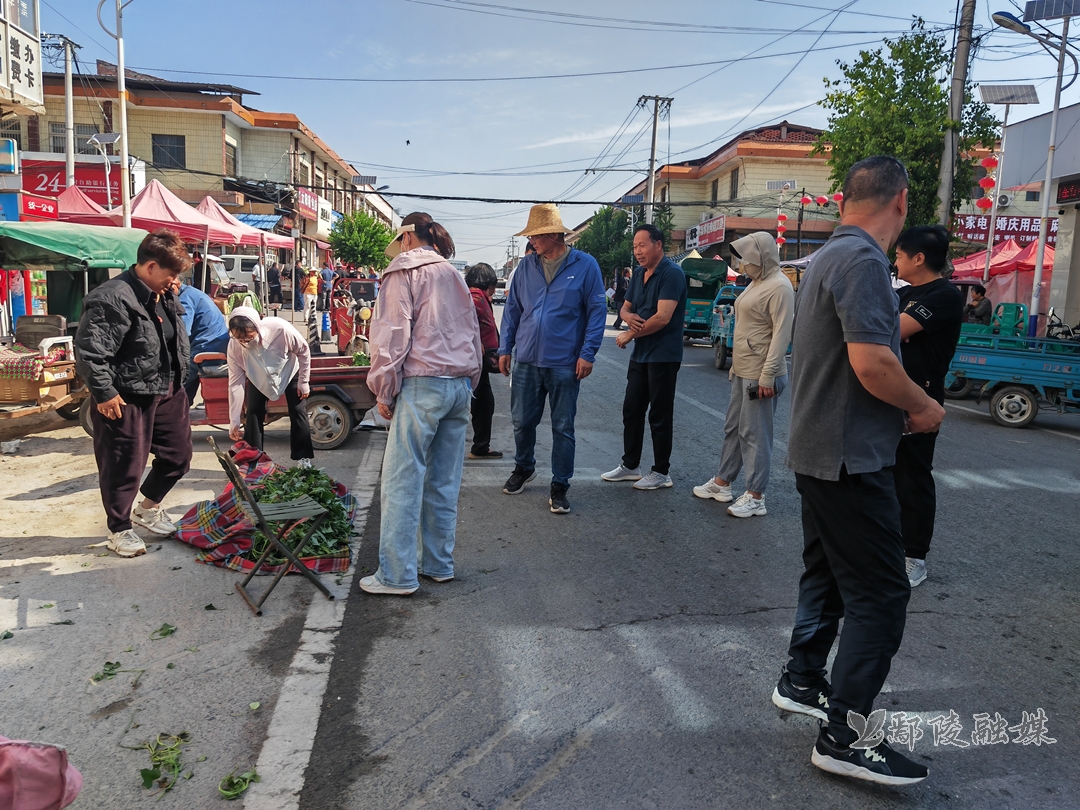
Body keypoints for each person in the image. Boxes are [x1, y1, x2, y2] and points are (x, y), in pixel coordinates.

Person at [772, 156, 944, 786]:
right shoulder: (868, 261)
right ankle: (844, 734)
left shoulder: (823, 256)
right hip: (849, 456)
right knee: (881, 593)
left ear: (845, 199)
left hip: (817, 449)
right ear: (901, 201)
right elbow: (872, 362)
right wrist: (924, 406)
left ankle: (802, 678)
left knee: (829, 571)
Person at [361, 213, 482, 596]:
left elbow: (392, 334)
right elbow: (472, 332)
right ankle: (438, 564)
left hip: (423, 384)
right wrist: (469, 382)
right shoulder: (453, 274)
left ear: (407, 237)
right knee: (444, 481)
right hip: (459, 384)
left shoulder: (404, 270)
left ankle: (396, 575)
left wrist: (384, 389)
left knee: (402, 481)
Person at [75, 229, 193, 558]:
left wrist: (170, 291)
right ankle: (119, 528)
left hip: (167, 388)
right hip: (127, 395)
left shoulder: (164, 291)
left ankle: (148, 507)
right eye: (171, 274)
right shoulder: (111, 297)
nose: (174, 280)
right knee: (123, 464)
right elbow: (89, 352)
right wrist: (103, 393)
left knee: (178, 456)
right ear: (151, 266)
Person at [498, 204, 606, 514]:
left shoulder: (585, 265)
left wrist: (588, 354)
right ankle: (524, 466)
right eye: (530, 236)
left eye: (535, 236)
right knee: (521, 421)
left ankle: (560, 485)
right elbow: (513, 311)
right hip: (526, 359)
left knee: (563, 426)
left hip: (564, 362)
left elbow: (597, 312)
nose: (531, 242)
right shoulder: (526, 268)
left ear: (553, 234)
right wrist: (506, 348)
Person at [693, 232, 793, 517]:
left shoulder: (780, 287)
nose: (743, 264)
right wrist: (736, 366)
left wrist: (768, 376)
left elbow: (780, 335)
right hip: (744, 369)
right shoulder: (756, 283)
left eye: (748, 258)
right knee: (734, 427)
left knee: (756, 433)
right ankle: (723, 482)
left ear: (762, 256)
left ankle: (756, 495)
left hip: (762, 374)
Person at [893, 225, 964, 587]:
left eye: (900, 255)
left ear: (919, 258)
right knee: (885, 474)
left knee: (912, 477)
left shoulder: (944, 295)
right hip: (893, 393)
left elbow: (897, 329)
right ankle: (889, 548)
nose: (896, 261)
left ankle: (914, 557)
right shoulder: (906, 292)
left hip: (920, 398)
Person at [601, 225, 687, 491]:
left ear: (658, 244)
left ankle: (661, 472)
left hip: (663, 354)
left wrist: (630, 335)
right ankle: (630, 465)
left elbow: (663, 317)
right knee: (632, 409)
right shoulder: (639, 274)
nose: (637, 251)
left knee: (659, 415)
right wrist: (627, 319)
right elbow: (625, 307)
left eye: (642, 245)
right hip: (642, 355)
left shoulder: (671, 274)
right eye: (635, 246)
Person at [226, 305, 314, 467]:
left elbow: (303, 350)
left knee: (297, 410)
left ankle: (303, 458)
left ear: (258, 327)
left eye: (249, 338)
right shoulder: (234, 346)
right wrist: (234, 420)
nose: (246, 343)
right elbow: (235, 382)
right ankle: (254, 460)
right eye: (241, 340)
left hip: (288, 371)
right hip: (257, 376)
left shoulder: (280, 328)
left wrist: (303, 381)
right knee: (253, 412)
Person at [465, 262, 502, 460]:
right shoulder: (475, 298)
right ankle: (479, 446)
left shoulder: (476, 296)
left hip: (479, 360)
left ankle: (480, 446)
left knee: (483, 402)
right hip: (476, 360)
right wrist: (476, 341)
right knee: (480, 403)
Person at [175, 278, 231, 404]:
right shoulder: (194, 293)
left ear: (175, 284)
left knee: (178, 381)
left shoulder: (185, 299)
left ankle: (179, 409)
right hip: (214, 344)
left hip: (207, 348)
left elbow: (182, 332)